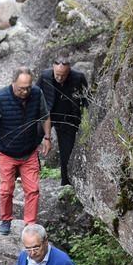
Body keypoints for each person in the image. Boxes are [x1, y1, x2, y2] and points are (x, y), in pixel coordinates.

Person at [0, 66, 52, 235]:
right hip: (7, 152)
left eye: (28, 87)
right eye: (21, 88)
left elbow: (45, 116)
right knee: (6, 190)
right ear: (13, 83)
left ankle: (30, 225)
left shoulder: (37, 94)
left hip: (29, 151)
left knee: (33, 190)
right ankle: (6, 220)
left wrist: (47, 137)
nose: (25, 91)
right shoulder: (1, 97)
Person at [36, 57, 89, 186]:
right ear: (53, 68)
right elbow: (35, 94)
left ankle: (66, 183)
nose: (59, 78)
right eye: (57, 75)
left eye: (63, 75)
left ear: (69, 70)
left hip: (67, 118)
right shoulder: (45, 76)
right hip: (46, 116)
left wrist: (85, 119)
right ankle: (28, 173)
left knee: (67, 153)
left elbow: (86, 100)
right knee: (30, 140)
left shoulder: (78, 77)